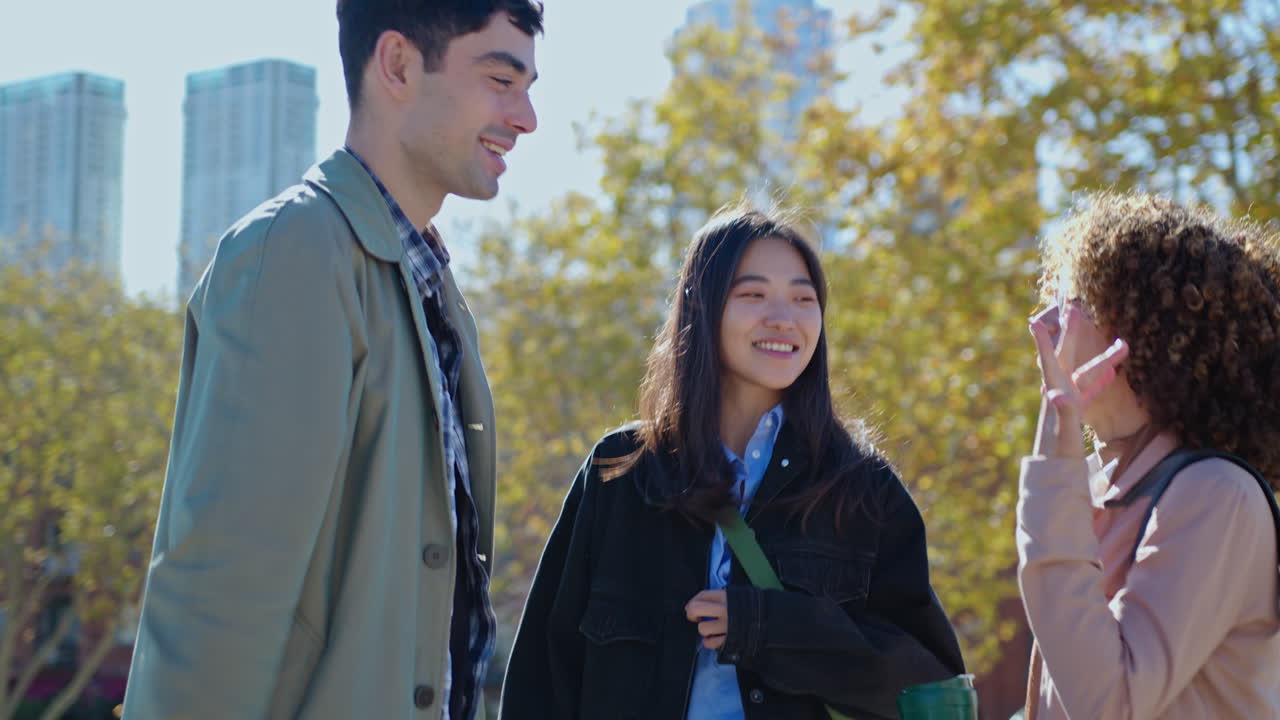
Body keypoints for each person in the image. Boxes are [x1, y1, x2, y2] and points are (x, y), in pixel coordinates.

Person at [122, 2, 542, 718]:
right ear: (399, 65)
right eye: (502, 78)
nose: (526, 116)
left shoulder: (428, 285)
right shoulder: (297, 251)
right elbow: (222, 590)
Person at [500, 206, 965, 719]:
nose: (783, 318)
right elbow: (542, 679)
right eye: (753, 294)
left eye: (803, 298)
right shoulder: (622, 471)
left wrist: (773, 628)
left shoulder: (862, 489)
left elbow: (930, 683)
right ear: (702, 308)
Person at [1020, 191, 1280, 719]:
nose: (1043, 321)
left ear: (1143, 336)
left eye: (1074, 304)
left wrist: (1056, 442)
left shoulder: (1215, 495)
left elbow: (1107, 703)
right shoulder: (1097, 486)